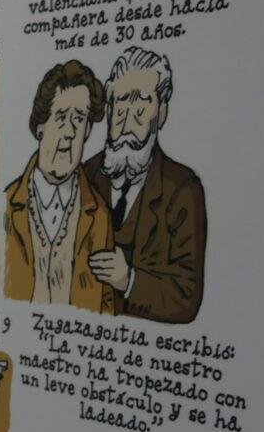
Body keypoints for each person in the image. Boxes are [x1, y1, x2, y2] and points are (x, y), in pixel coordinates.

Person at [82, 47, 206, 323]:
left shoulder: (182, 188)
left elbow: (187, 297)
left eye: (142, 101)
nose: (129, 115)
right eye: (121, 101)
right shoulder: (84, 176)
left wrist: (129, 281)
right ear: (110, 109)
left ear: (161, 112)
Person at [4, 61, 114, 311]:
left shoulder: (99, 215)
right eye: (61, 117)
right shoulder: (7, 205)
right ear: (41, 127)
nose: (69, 132)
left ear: (88, 130)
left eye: (79, 119)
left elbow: (106, 304)